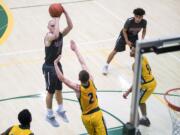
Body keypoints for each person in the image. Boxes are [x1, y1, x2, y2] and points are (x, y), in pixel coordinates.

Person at [54, 40, 107, 135]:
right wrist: (75, 49)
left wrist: (55, 64)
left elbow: (61, 78)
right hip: (97, 114)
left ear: (79, 79)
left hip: (86, 118)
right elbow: (83, 63)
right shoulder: (91, 80)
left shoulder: (77, 88)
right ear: (88, 76)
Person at [42, 6, 73, 127]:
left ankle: (60, 109)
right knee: (50, 92)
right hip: (49, 67)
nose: (55, 26)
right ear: (48, 27)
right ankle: (49, 115)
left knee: (59, 89)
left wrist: (64, 12)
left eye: (55, 25)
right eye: (52, 25)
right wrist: (56, 18)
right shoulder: (48, 37)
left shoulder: (59, 34)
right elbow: (54, 35)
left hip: (58, 65)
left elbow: (70, 26)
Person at [102, 8, 147, 75]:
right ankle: (106, 66)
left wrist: (142, 39)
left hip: (134, 37)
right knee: (115, 51)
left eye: (139, 17)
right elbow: (124, 31)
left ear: (142, 17)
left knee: (136, 53)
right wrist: (127, 40)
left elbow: (144, 30)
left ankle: (139, 67)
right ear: (134, 16)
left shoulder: (144, 22)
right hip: (123, 36)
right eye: (136, 16)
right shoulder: (129, 21)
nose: (138, 19)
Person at [123, 47, 157, 127]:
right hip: (152, 82)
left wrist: (127, 92)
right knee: (141, 101)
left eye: (132, 50)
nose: (130, 51)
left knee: (134, 104)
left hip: (146, 86)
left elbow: (136, 82)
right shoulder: (143, 58)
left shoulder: (136, 65)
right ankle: (145, 119)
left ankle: (135, 125)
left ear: (136, 53)